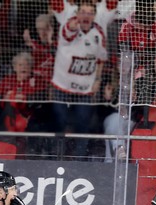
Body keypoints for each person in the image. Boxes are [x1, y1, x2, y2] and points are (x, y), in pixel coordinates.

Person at [51, 0, 108, 159]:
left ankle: (79, 159)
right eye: (83, 12)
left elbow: (101, 58)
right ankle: (57, 157)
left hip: (85, 89)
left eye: (90, 13)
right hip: (62, 86)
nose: (86, 16)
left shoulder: (98, 33)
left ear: (94, 16)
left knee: (83, 123)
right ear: (77, 13)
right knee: (60, 121)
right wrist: (72, 26)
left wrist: (98, 80)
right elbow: (67, 33)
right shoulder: (69, 27)